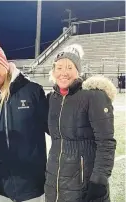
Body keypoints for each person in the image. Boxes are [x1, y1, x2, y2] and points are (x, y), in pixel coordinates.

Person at [45, 44, 117, 202]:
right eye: (59, 67)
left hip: (83, 184)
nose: (64, 72)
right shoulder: (52, 99)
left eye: (70, 67)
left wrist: (99, 181)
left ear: (78, 71)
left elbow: (106, 143)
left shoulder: (93, 96)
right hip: (54, 184)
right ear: (53, 71)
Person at [0, 40, 48, 202]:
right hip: (2, 185)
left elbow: (54, 128)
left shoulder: (32, 91)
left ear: (6, 66)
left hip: (32, 185)